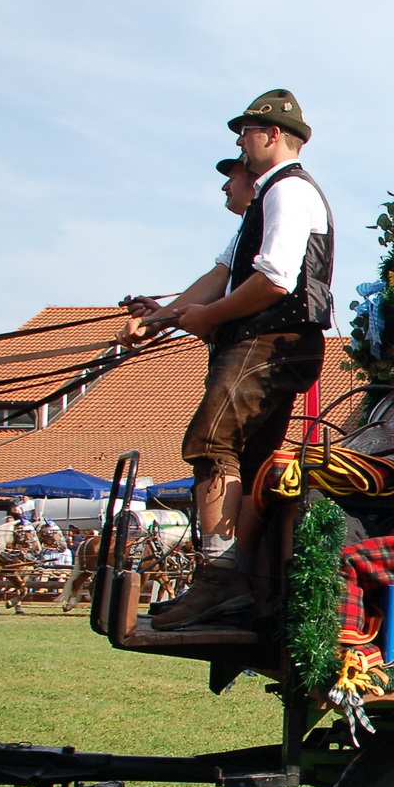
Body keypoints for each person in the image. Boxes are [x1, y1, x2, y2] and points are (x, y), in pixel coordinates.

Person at [118, 90, 333, 629]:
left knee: (212, 443)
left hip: (271, 338)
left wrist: (209, 318)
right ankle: (241, 581)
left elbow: (275, 281)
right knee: (253, 460)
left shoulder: (287, 192)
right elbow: (222, 276)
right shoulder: (266, 200)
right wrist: (162, 318)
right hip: (271, 341)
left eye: (246, 131)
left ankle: (220, 582)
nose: (239, 140)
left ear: (273, 135)